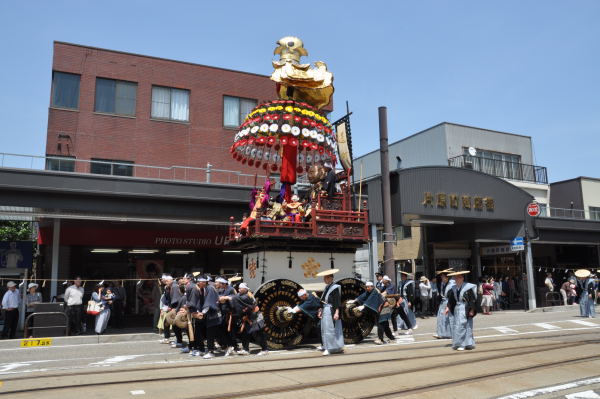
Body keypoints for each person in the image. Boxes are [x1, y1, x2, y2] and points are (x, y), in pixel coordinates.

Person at [222, 283, 268, 356]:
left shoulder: (247, 296)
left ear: (245, 289)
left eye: (241, 288)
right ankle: (245, 349)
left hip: (255, 317)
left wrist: (227, 298)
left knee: (258, 333)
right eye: (239, 288)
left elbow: (237, 299)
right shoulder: (241, 295)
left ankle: (265, 349)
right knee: (245, 333)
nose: (239, 289)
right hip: (247, 317)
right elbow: (235, 297)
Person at [445, 271, 478, 351]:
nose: (456, 279)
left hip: (466, 308)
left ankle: (467, 343)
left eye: (457, 277)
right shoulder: (454, 288)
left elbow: (472, 299)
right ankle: (460, 343)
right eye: (455, 278)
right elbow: (451, 300)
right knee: (458, 326)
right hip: (457, 308)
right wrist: (448, 307)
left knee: (467, 326)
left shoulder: (468, 287)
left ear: (462, 278)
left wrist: (472, 309)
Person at [316, 268, 344, 356]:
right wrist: (320, 309)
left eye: (326, 278)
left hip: (331, 310)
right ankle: (325, 345)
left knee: (330, 329)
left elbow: (337, 301)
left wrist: (336, 312)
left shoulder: (335, 287)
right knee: (324, 328)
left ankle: (330, 348)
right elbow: (323, 300)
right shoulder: (327, 287)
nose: (324, 279)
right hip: (325, 309)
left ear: (330, 278)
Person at [196, 276, 222, 359]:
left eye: (199, 282)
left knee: (210, 334)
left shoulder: (209, 288)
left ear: (204, 282)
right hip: (212, 315)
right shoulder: (206, 288)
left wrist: (202, 313)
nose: (198, 283)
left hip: (213, 315)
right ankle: (227, 347)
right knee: (216, 333)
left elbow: (209, 303)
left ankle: (211, 351)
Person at [215, 277, 236, 356]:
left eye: (218, 283)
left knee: (229, 331)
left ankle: (232, 346)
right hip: (222, 313)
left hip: (230, 314)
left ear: (222, 283)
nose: (216, 284)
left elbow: (235, 297)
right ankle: (228, 345)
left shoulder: (230, 289)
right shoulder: (221, 290)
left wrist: (226, 298)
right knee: (221, 330)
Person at [433, 269, 455, 339]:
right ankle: (441, 333)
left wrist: (449, 305)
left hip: (449, 302)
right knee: (441, 318)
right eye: (441, 277)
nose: (441, 278)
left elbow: (452, 295)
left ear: (447, 277)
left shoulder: (452, 283)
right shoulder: (443, 283)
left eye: (443, 277)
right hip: (443, 301)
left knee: (449, 318)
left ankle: (450, 334)